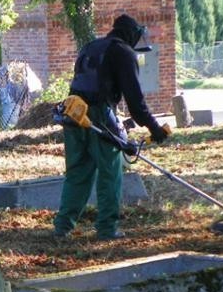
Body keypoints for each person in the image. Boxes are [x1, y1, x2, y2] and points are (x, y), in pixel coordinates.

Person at [53, 14, 169, 240]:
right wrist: (155, 128)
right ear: (131, 34)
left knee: (77, 173)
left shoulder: (91, 46)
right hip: (99, 114)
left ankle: (62, 227)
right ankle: (107, 229)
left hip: (73, 111)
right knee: (110, 172)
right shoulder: (123, 52)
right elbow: (135, 102)